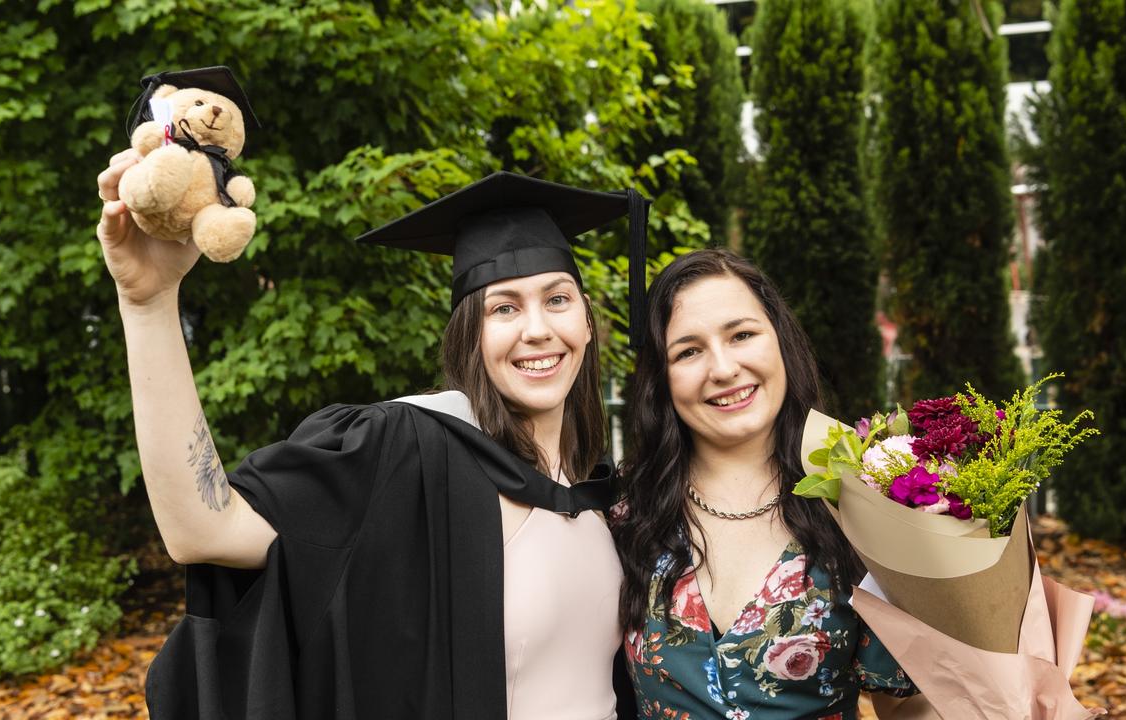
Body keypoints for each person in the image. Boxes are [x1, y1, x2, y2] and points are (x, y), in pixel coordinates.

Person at [97, 72, 649, 718]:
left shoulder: (603, 497)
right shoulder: (412, 461)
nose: (537, 329)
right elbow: (203, 528)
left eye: (557, 299)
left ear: (586, 320)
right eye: (503, 308)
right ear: (471, 335)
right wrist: (150, 304)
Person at [612, 249, 916, 719]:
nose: (723, 368)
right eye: (688, 351)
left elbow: (911, 707)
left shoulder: (860, 503)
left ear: (780, 341)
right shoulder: (623, 517)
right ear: (661, 378)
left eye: (742, 335)